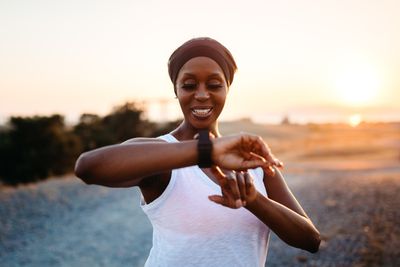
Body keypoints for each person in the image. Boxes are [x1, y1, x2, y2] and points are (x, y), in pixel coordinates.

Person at [74, 37, 320, 266]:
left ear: (227, 89)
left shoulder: (252, 162)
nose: (202, 95)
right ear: (176, 90)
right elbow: (88, 168)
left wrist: (254, 201)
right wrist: (206, 151)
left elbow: (310, 240)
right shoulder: (162, 153)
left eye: (214, 84)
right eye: (189, 85)